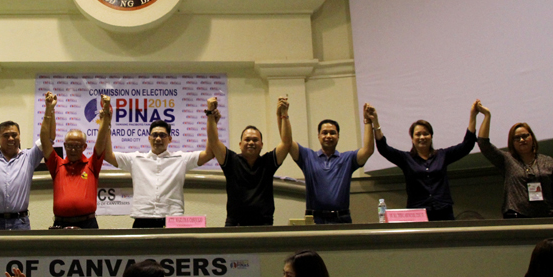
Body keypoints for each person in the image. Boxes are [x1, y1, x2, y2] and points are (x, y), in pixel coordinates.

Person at [368, 101, 479, 221]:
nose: (422, 137)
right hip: (417, 213)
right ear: (412, 138)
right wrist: (375, 122)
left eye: (426, 134)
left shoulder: (442, 155)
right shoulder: (406, 159)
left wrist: (473, 115)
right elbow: (384, 149)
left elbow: (467, 145)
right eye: (418, 134)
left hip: (443, 211)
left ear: (431, 136)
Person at [103, 110, 214, 228]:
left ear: (170, 139)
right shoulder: (135, 159)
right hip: (143, 218)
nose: (158, 139)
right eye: (155, 135)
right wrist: (106, 123)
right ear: (149, 138)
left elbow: (209, 154)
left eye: (162, 135)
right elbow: (108, 155)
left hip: (172, 219)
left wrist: (211, 120)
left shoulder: (181, 159)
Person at [205, 96, 292, 226]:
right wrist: (210, 113)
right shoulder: (231, 161)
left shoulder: (268, 162)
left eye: (255, 140)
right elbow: (213, 141)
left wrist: (284, 114)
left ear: (262, 144)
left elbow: (286, 143)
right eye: (247, 140)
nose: (251, 142)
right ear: (240, 144)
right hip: (235, 225)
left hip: (264, 225)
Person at [475, 102, 553, 218]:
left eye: (525, 136)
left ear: (532, 137)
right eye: (516, 138)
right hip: (516, 217)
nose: (521, 140)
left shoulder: (548, 162)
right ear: (512, 142)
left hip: (547, 217)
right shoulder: (507, 160)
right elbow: (483, 144)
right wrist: (487, 116)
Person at [289, 106, 374, 224]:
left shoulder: (347, 159)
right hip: (314, 220)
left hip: (341, 219)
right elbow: (287, 141)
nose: (328, 136)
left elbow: (368, 150)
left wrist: (368, 122)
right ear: (318, 136)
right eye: (324, 133)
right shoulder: (307, 156)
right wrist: (283, 116)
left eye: (332, 133)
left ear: (338, 136)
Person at [0, 117, 56, 230]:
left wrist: (49, 110)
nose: (10, 138)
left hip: (19, 223)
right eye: (5, 135)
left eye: (14, 135)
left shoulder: (29, 157)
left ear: (19, 136)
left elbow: (48, 137)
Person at [41, 92, 112, 228]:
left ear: (84, 147)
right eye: (70, 146)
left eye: (77, 146)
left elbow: (102, 139)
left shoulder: (92, 164)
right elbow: (44, 140)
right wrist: (49, 109)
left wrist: (106, 113)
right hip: (60, 224)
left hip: (88, 224)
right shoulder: (56, 164)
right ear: (65, 146)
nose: (73, 149)